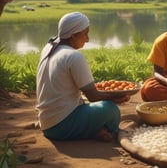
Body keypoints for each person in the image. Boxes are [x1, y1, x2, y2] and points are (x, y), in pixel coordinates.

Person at [36, 12, 129, 141]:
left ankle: (96, 130)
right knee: (110, 109)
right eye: (85, 34)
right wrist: (116, 96)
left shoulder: (49, 47)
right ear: (73, 36)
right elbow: (93, 97)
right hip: (60, 126)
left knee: (86, 104)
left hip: (46, 122)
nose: (88, 39)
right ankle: (99, 130)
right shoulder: (73, 56)